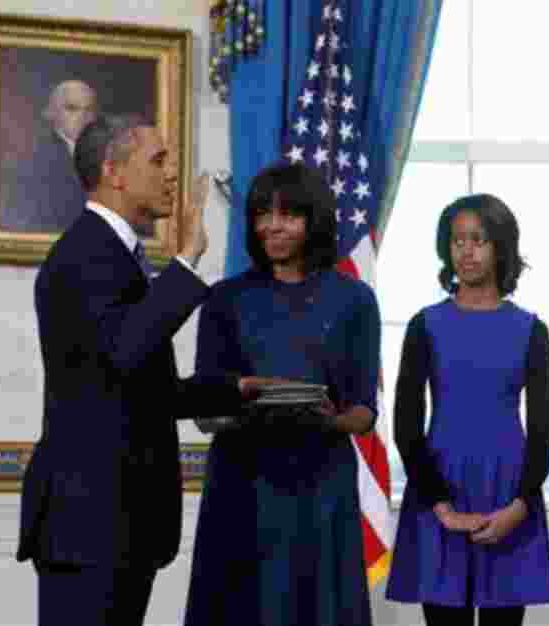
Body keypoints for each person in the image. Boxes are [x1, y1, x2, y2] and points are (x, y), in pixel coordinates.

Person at [17, 114, 271, 626]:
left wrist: (234, 390)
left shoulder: (116, 254)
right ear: (113, 171)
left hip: (119, 525)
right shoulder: (84, 254)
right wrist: (188, 259)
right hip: (89, 526)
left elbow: (136, 388)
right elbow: (127, 350)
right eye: (158, 160)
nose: (172, 174)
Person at [183, 162, 380, 626]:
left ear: (314, 220)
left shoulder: (354, 299)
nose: (273, 225)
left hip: (320, 486)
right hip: (242, 486)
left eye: (288, 214)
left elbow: (364, 412)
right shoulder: (224, 299)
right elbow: (203, 409)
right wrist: (245, 411)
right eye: (262, 214)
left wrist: (326, 418)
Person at [386, 194, 549, 626]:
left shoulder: (531, 330)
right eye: (457, 240)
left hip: (509, 493)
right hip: (438, 490)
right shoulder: (424, 325)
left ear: (501, 247)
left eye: (478, 239)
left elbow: (542, 429)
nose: (466, 250)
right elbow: (406, 424)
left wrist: (520, 504)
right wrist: (442, 507)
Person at [1, 80, 98, 232]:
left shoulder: (107, 155)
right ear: (51, 113)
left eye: (89, 110)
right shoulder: (35, 159)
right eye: (72, 109)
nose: (83, 117)